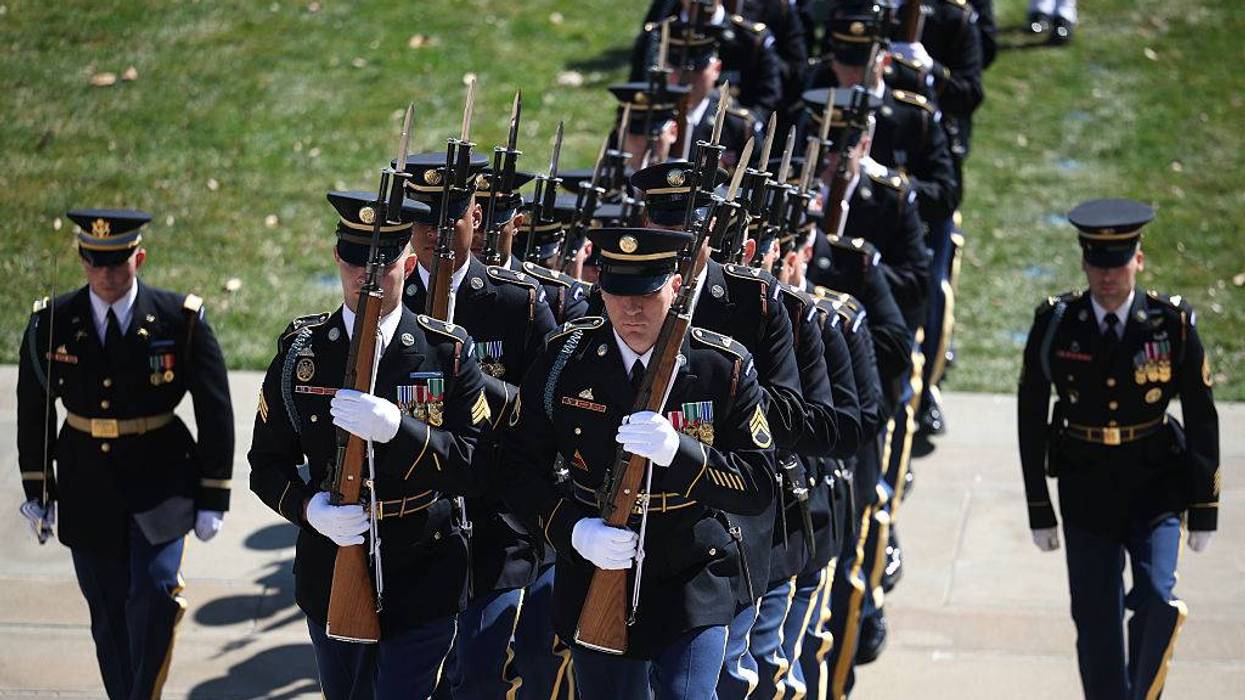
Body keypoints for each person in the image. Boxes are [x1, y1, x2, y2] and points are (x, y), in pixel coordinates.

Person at [502, 225, 777, 699]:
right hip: (595, 565)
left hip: (691, 572)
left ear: (675, 286)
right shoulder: (566, 359)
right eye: (617, 293)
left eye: (647, 295)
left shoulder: (720, 367)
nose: (631, 309)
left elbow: (758, 485)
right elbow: (515, 466)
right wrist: (573, 530)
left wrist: (681, 454)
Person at [248, 191, 488, 697]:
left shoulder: (446, 351)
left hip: (423, 567)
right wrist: (310, 510)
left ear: (408, 262)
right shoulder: (304, 352)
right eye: (356, 261)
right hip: (331, 564)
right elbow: (266, 464)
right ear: (338, 258)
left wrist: (401, 430)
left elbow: (475, 464)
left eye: (383, 263)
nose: (368, 276)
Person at [16, 209, 233, 698]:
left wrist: (214, 495)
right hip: (86, 482)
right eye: (95, 262)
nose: (106, 274)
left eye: (117, 262)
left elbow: (215, 408)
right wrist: (39, 489)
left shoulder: (179, 318)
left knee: (156, 594)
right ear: (82, 260)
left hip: (161, 479)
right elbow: (34, 409)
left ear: (139, 258)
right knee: (108, 613)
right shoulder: (53, 321)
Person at [1017, 198, 1218, 699]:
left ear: (1139, 260)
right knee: (1096, 619)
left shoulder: (1171, 323)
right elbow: (1030, 417)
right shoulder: (1057, 323)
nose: (1108, 276)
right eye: (1097, 263)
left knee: (1157, 598)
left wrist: (1205, 506)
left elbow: (1201, 415)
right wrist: (1039, 505)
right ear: (1085, 264)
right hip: (1086, 486)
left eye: (1119, 262)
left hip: (1155, 484)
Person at [396, 153, 562, 698]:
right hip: (416, 520)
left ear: (477, 216)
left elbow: (548, 408)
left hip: (498, 515)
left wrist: (468, 381)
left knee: (485, 672)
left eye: (449, 219)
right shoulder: (391, 303)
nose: (435, 234)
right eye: (422, 220)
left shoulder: (518, 304)